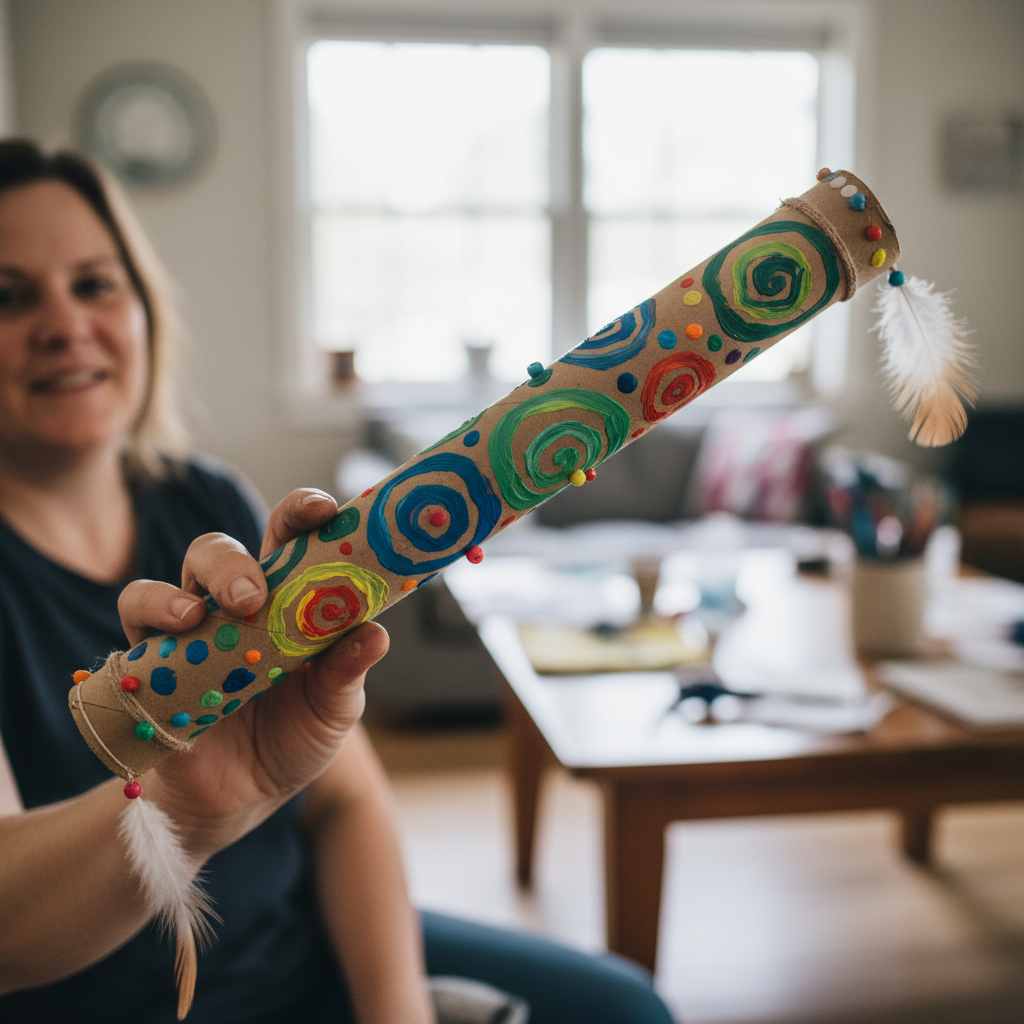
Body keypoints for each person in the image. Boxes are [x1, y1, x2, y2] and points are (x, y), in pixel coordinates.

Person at [0, 139, 677, 1024]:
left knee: (624, 1008)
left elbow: (346, 801)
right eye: (9, 297)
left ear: (142, 309)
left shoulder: (204, 498)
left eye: (95, 283)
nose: (64, 323)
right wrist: (185, 811)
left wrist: (396, 1011)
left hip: (307, 941)